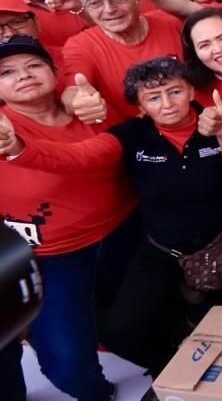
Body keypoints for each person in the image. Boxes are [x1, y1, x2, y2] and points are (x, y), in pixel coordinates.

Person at [0, 57, 222, 372]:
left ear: (192, 90)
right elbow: (81, 157)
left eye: (174, 91)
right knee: (121, 333)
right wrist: (20, 147)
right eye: (153, 97)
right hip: (161, 250)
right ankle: (179, 371)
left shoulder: (218, 122)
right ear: (140, 106)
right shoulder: (132, 135)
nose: (166, 104)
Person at [0, 35, 134, 401]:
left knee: (139, 325)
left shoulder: (91, 109)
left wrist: (24, 151)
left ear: (55, 72)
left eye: (33, 65)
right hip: (50, 257)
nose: (23, 75)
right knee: (67, 364)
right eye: (7, 72)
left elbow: (110, 151)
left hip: (124, 234)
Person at [56, 0, 184, 125]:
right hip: (138, 142)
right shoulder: (80, 45)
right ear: (85, 7)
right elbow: (72, 92)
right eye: (95, 3)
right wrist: (80, 103)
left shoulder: (172, 22)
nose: (109, 9)